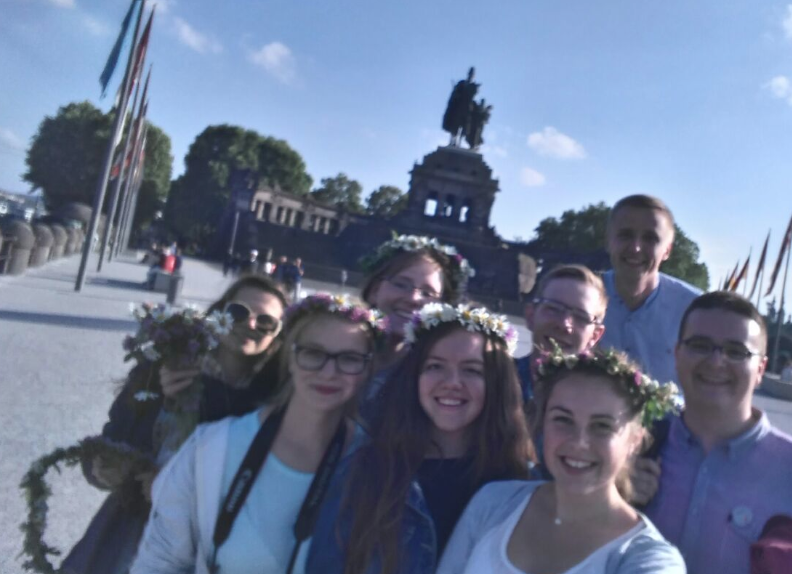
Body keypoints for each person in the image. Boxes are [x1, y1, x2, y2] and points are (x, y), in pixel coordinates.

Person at [132, 293, 385, 574]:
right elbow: (159, 562)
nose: (329, 372)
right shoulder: (212, 449)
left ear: (367, 369)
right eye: (313, 353)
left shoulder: (379, 468)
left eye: (349, 359)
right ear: (290, 357)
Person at [61, 275, 290, 574]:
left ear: (279, 334)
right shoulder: (168, 363)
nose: (250, 324)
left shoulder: (274, 399)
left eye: (266, 322)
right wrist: (109, 467)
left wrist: (171, 489)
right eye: (238, 312)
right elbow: (112, 441)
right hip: (133, 531)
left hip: (209, 548)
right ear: (220, 312)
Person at [644, 291, 792, 573]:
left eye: (736, 351)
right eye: (700, 345)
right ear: (676, 354)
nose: (716, 361)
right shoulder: (633, 447)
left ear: (760, 369)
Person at [307, 302, 532, 574]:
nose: (452, 382)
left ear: (497, 384)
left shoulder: (522, 489)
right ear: (414, 376)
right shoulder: (363, 472)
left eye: (472, 370)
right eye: (435, 366)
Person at [437, 349, 685, 574]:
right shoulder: (493, 503)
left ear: (635, 441)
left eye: (602, 426)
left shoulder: (647, 558)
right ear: (542, 423)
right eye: (563, 420)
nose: (579, 442)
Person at [356, 235, 473, 412]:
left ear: (442, 308)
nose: (413, 298)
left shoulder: (437, 381)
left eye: (427, 293)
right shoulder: (332, 349)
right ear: (374, 291)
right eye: (401, 284)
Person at [599, 195, 701, 386]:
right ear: (608, 241)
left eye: (650, 238)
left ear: (667, 250)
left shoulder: (695, 311)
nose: (636, 248)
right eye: (625, 235)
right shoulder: (579, 298)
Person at [516, 264, 608, 404]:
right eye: (553, 309)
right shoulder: (494, 380)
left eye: (581, 317)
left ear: (595, 336)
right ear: (530, 316)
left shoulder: (600, 403)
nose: (564, 324)